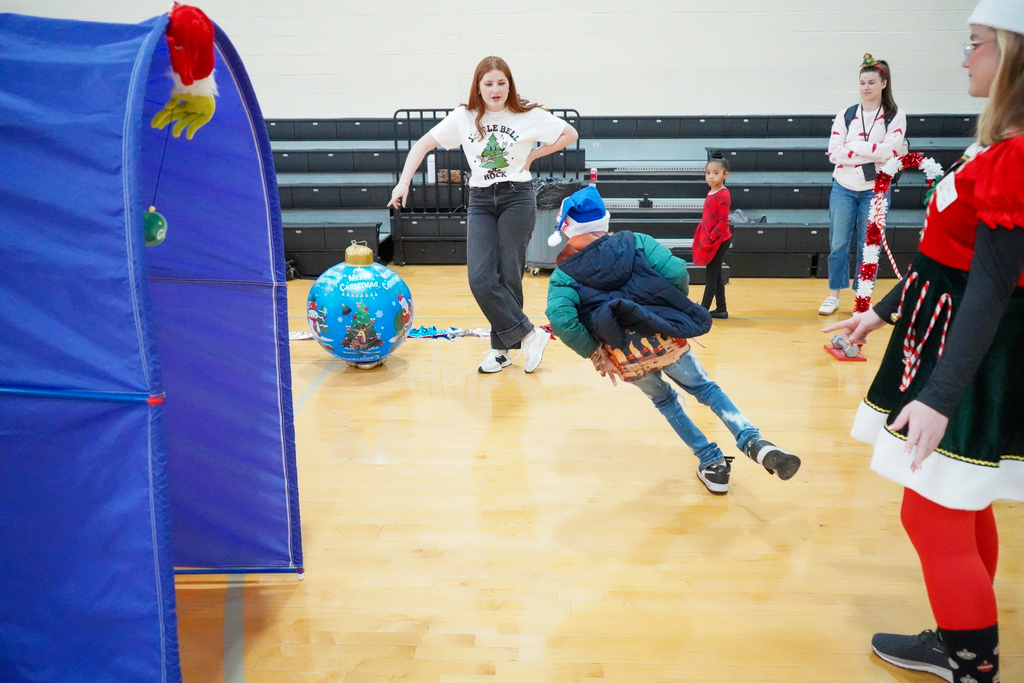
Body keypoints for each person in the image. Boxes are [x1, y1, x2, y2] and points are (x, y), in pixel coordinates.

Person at [823, 3, 1024, 680]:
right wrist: (881, 312)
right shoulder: (1000, 144)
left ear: (1015, 54)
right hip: (950, 337)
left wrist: (941, 395)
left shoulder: (1016, 154)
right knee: (959, 500)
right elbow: (948, 264)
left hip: (968, 355)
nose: (964, 58)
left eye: (975, 45)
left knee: (930, 511)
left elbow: (992, 288)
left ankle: (970, 658)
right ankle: (962, 635)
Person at [546, 186, 801, 494]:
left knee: (665, 401)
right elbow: (677, 270)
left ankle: (712, 463)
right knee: (705, 388)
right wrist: (663, 310)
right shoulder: (636, 242)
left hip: (626, 355)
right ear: (602, 221)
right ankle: (752, 440)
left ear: (567, 228)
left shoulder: (564, 273)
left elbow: (561, 319)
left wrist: (594, 352)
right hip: (665, 338)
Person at [388, 56, 578, 374]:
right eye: (488, 83)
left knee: (509, 275)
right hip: (480, 201)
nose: (495, 89)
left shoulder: (528, 114)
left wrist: (534, 154)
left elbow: (569, 133)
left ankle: (502, 350)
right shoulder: (464, 117)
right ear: (478, 86)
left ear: (509, 85)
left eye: (501, 83)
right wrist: (403, 182)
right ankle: (530, 336)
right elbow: (421, 145)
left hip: (517, 197)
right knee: (480, 278)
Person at [820, 53, 908, 316]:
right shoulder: (846, 115)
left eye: (871, 82)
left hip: (875, 190)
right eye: (862, 83)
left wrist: (855, 146)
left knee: (868, 245)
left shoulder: (895, 115)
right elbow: (834, 153)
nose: (866, 87)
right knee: (838, 243)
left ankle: (863, 298)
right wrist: (873, 151)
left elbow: (891, 152)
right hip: (844, 188)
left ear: (883, 83)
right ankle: (834, 294)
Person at [692, 153, 732, 318]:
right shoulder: (712, 192)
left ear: (725, 174)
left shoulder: (723, 194)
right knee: (715, 275)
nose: (710, 176)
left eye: (716, 173)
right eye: (708, 172)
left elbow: (723, 222)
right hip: (712, 238)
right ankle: (721, 309)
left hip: (719, 240)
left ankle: (703, 309)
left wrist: (709, 238)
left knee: (711, 275)